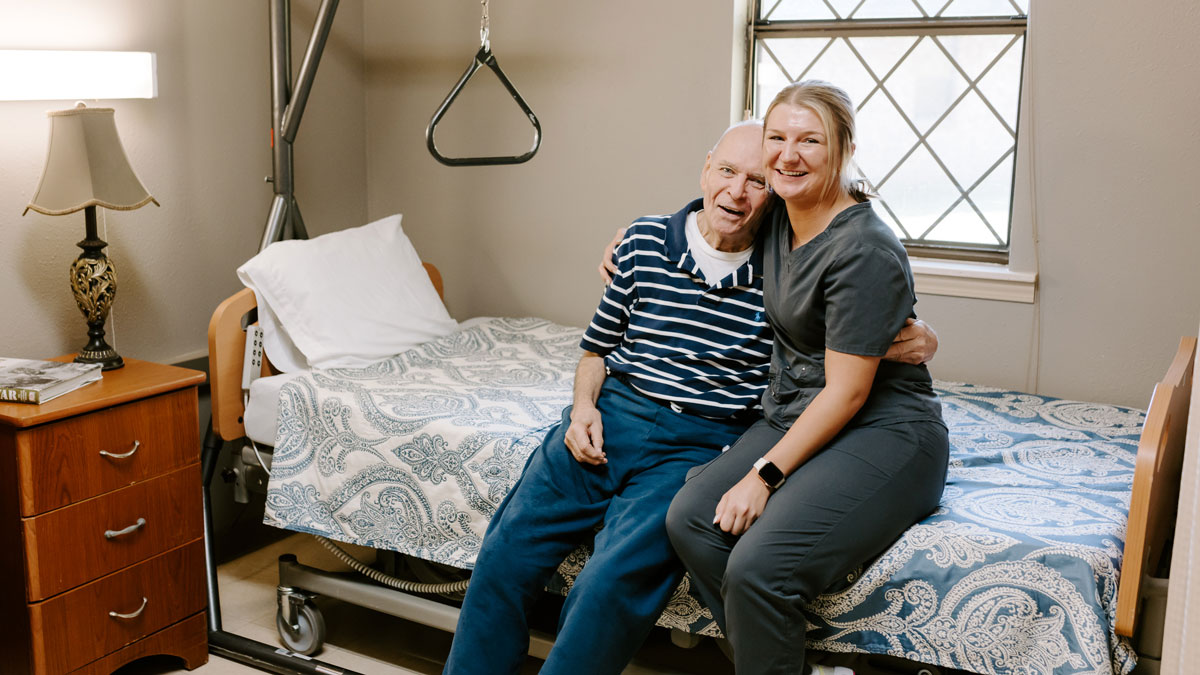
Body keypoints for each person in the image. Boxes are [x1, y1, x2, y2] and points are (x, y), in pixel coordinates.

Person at [444, 120, 938, 675]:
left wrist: (922, 336)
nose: (736, 191)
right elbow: (594, 352)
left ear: (775, 192)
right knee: (505, 554)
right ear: (706, 167)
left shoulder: (787, 265)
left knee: (608, 582)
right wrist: (583, 408)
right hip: (611, 416)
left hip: (702, 441)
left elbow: (858, 320)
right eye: (727, 171)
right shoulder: (644, 240)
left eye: (757, 180)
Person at [665, 81, 950, 675]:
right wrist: (633, 238)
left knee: (758, 569)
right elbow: (711, 214)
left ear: (842, 150)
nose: (788, 155)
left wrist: (763, 477)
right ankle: (798, 664)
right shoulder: (779, 214)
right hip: (798, 409)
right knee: (692, 517)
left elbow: (848, 391)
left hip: (886, 431)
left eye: (810, 141)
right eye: (777, 138)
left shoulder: (862, 249)